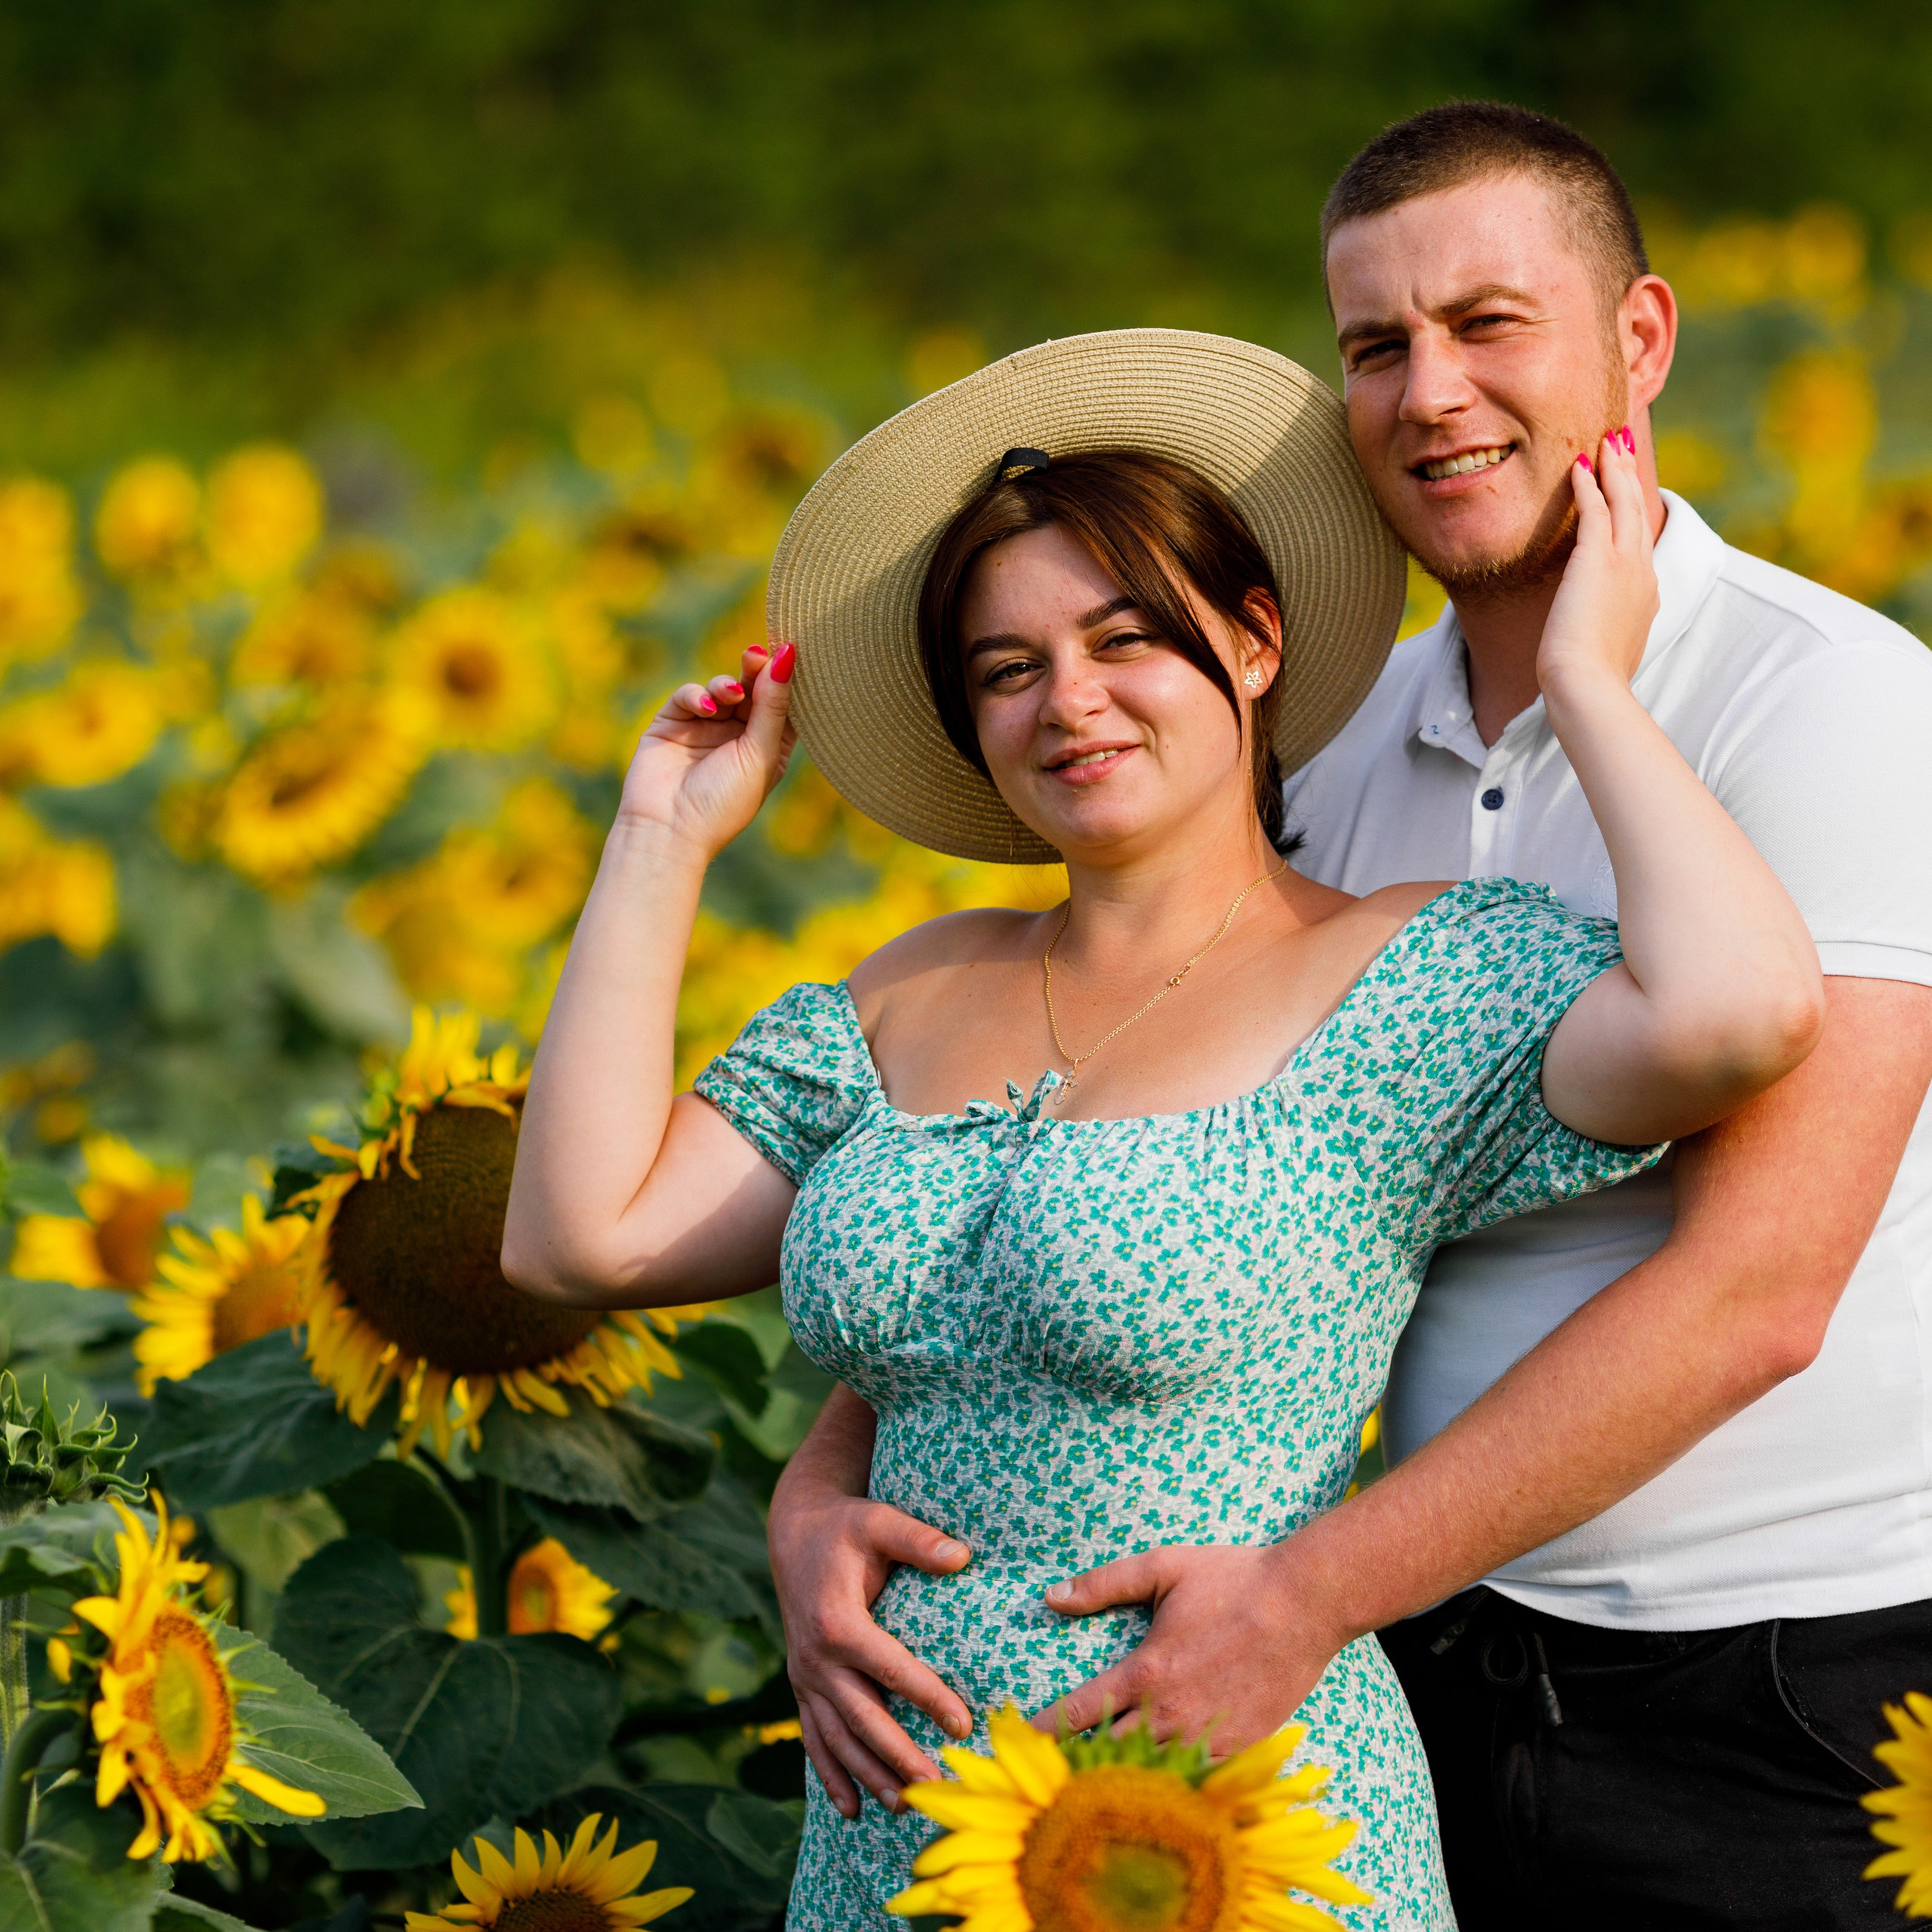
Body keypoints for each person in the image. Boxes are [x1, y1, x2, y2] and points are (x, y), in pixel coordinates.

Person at [770, 106, 1932, 1931]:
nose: (1428, 393)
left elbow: (1754, 1295)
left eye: (1488, 324)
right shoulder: (1322, 749)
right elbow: (1088, 1138)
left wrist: (1311, 1588)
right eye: (1375, 346)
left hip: (1765, 1679)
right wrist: (825, 1475)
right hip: (1415, 1653)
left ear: (1637, 341)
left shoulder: (1829, 707)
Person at [502, 327, 1823, 1930]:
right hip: (897, 1830)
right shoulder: (908, 990)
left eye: (1126, 639)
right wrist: (659, 835)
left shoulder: (1402, 978)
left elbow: (1737, 1014)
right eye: (1006, 668)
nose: (1069, 701)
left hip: (1226, 1815)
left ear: (1253, 642)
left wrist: (1580, 682)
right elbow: (577, 1236)